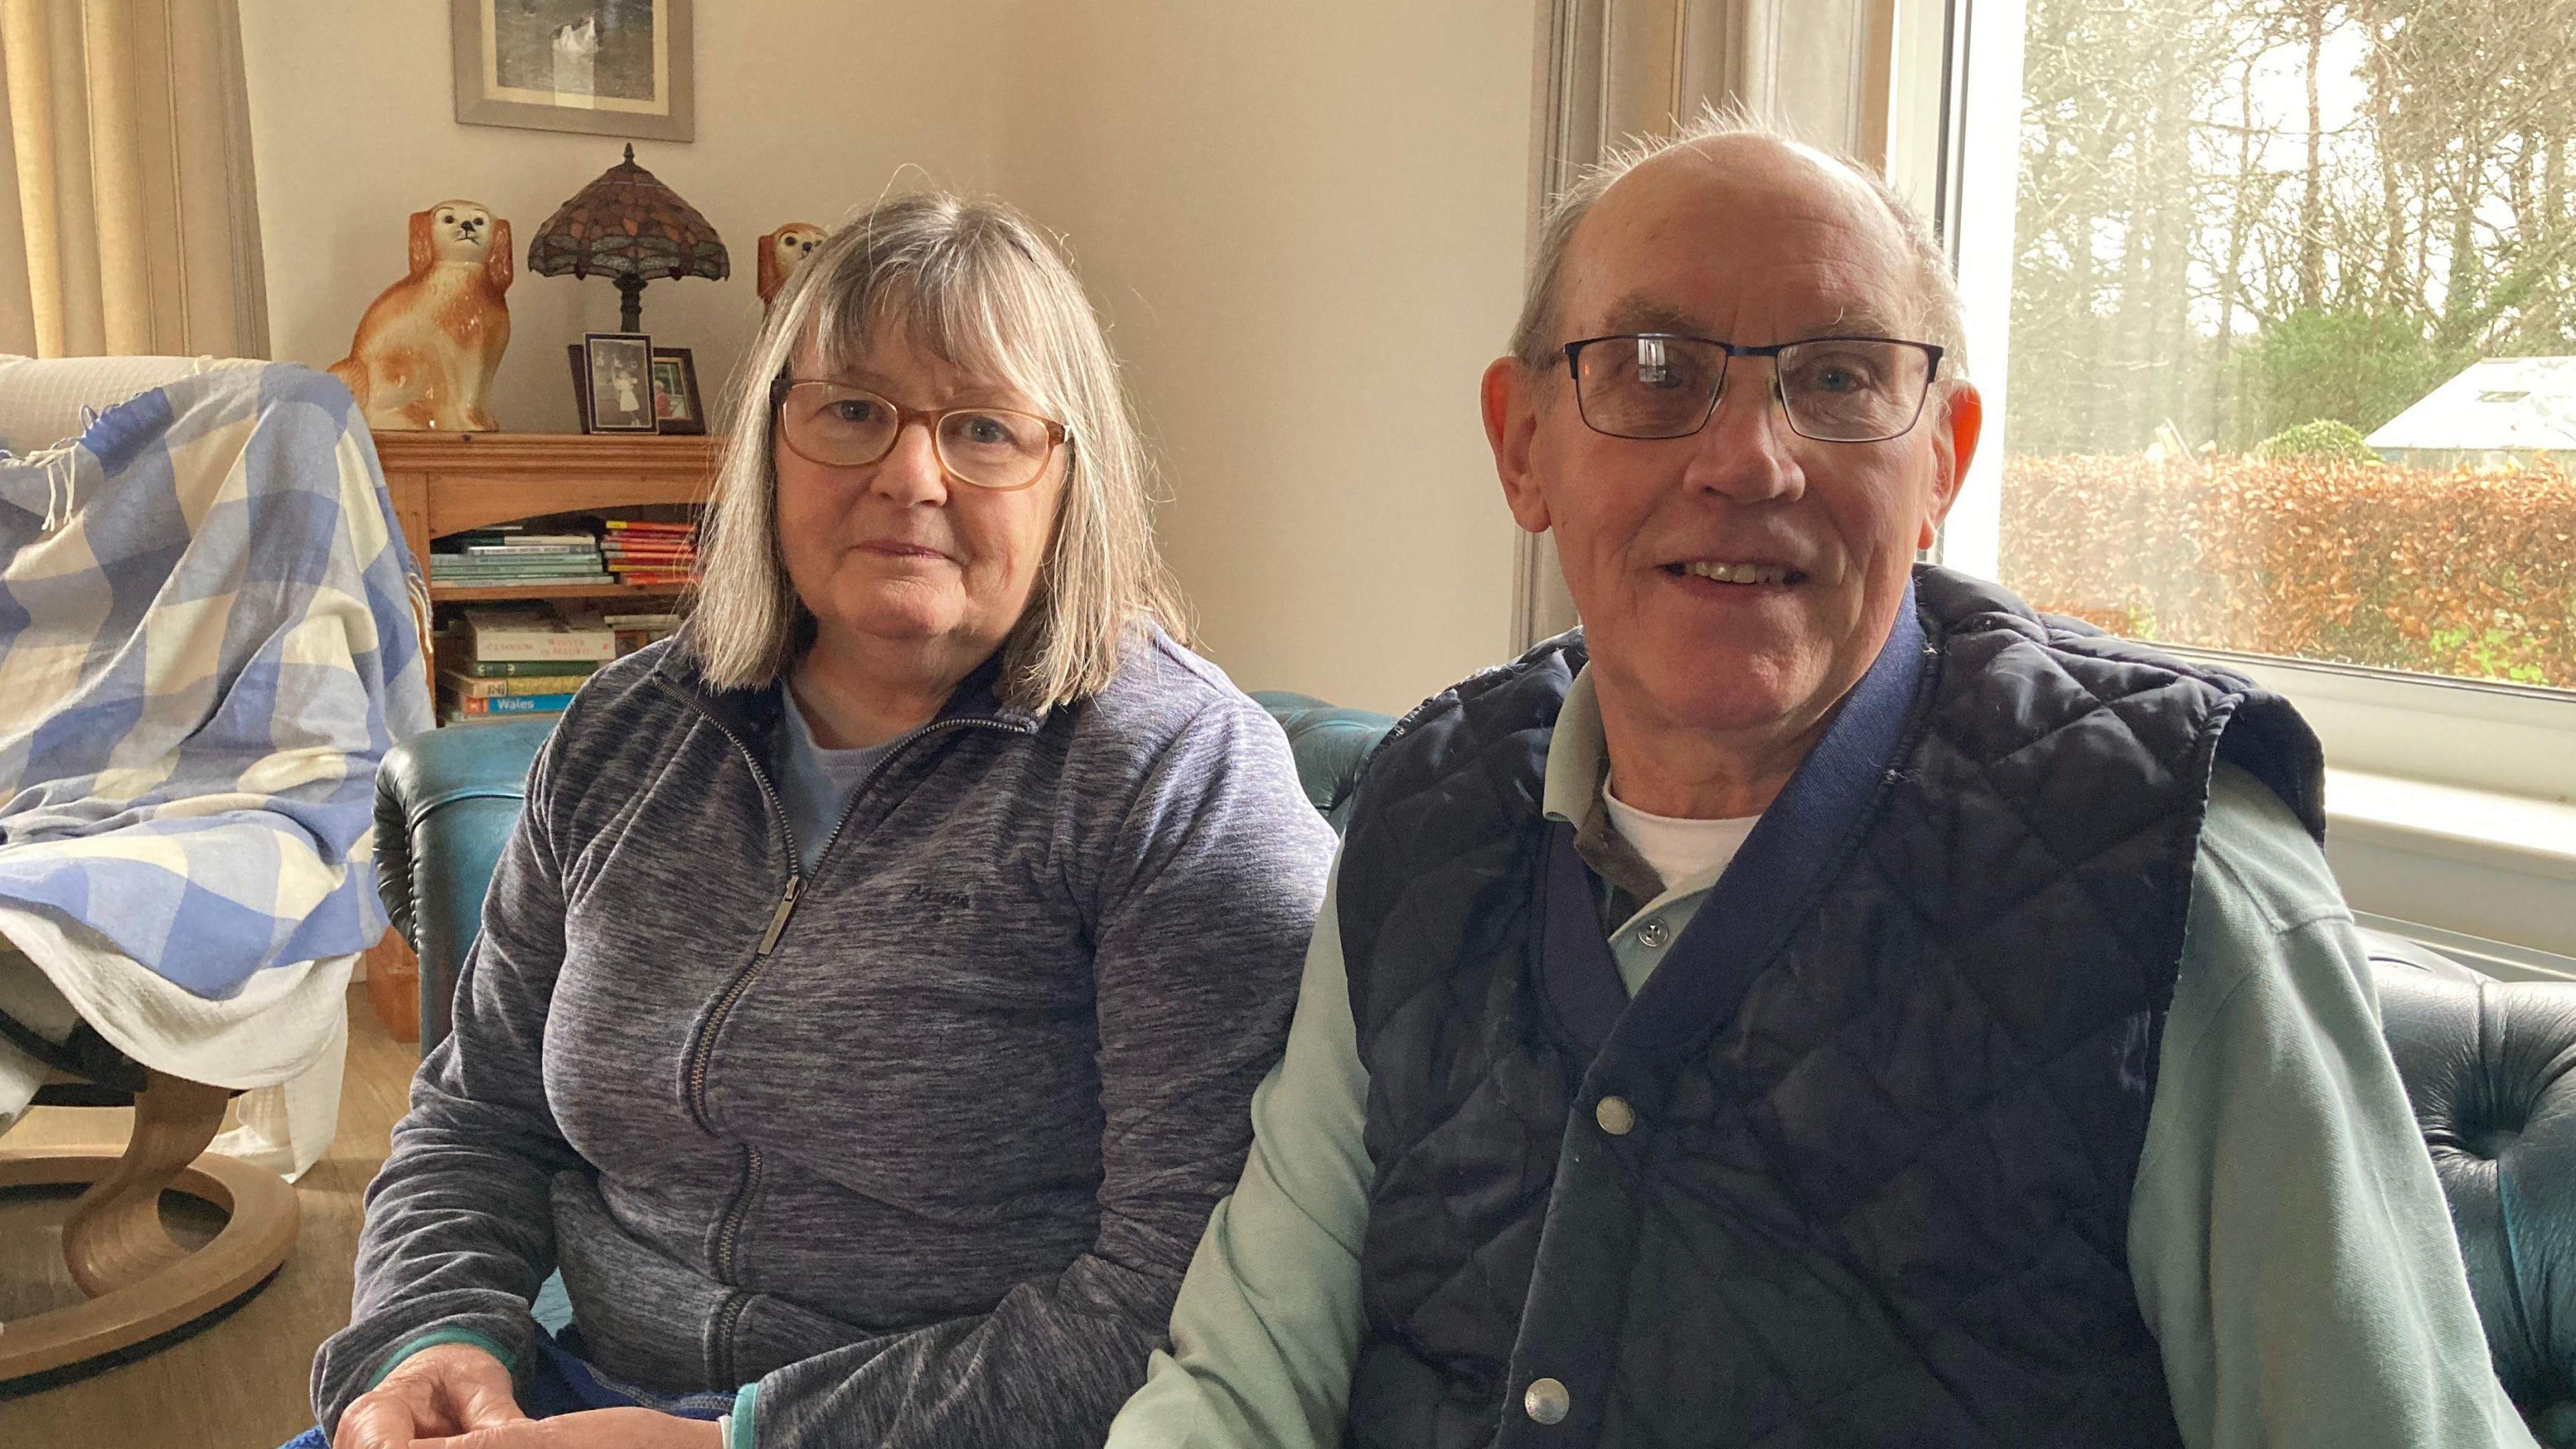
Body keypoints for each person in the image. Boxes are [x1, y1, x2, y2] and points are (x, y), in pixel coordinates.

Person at [1105, 112, 2536, 1449]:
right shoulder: (1422, 810)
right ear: (1522, 445)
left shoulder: (2183, 865)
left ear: (1942, 465)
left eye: (1839, 378)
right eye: (1655, 368)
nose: (1747, 458)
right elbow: (1243, 1377)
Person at [305, 194, 1338, 1449]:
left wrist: (738, 1444)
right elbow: (478, 1115)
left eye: (984, 429)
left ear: (1071, 478)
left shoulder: (1183, 782)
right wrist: (432, 1337)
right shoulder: (628, 730)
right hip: (574, 1399)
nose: (911, 474)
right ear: (771, 445)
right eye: (852, 411)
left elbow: (1181, 1307)